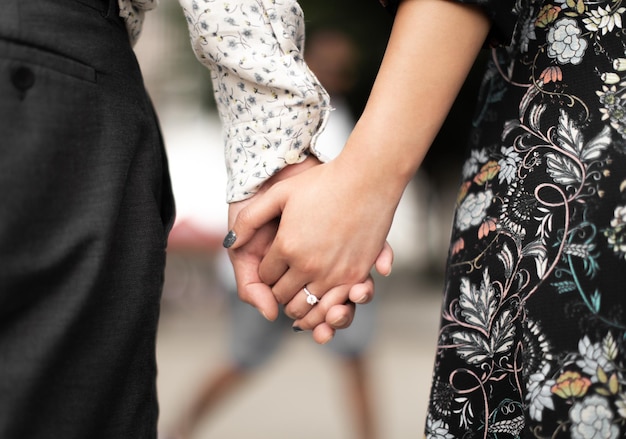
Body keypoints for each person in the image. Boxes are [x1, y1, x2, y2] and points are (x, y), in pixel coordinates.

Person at [185, 0, 626, 437]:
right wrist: (360, 184)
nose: (342, 71)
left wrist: (365, 184)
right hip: (303, 258)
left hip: (575, 159)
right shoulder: (327, 113)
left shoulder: (340, 116)